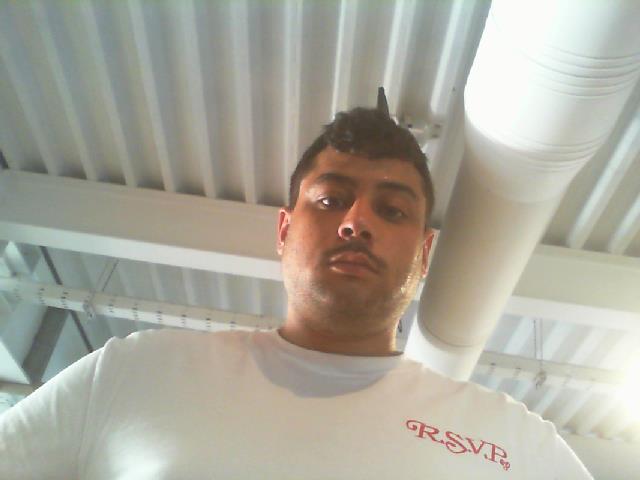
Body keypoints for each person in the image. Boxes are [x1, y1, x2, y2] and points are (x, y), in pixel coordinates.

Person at [0, 107, 592, 479]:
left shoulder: (514, 444)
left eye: (392, 210)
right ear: (284, 231)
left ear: (424, 254)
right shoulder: (134, 373)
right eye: (331, 199)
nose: (356, 222)